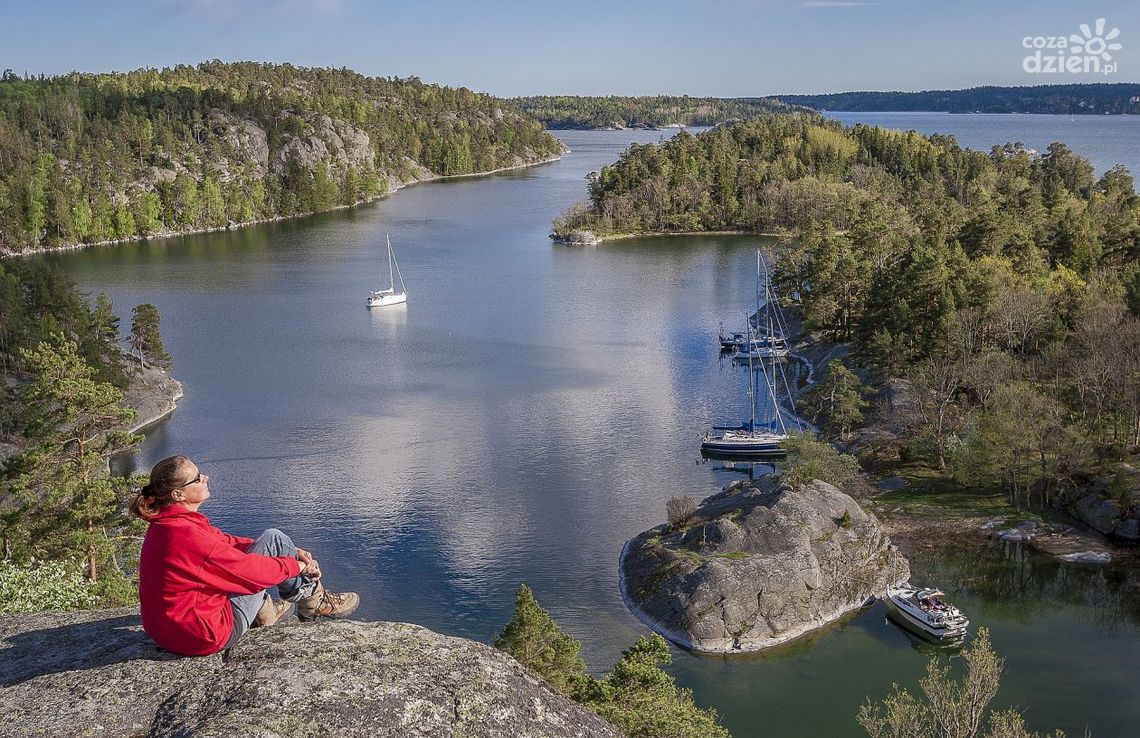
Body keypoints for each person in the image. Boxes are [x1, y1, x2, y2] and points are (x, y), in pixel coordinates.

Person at [131, 454, 360, 656]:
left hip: (168, 632)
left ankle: (265, 609)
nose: (206, 477)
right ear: (178, 494)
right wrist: (296, 566)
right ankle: (313, 601)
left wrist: (292, 552)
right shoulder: (188, 535)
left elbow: (225, 543)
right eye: (198, 477)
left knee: (273, 543)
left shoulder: (168, 524)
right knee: (272, 542)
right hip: (206, 635)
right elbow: (251, 573)